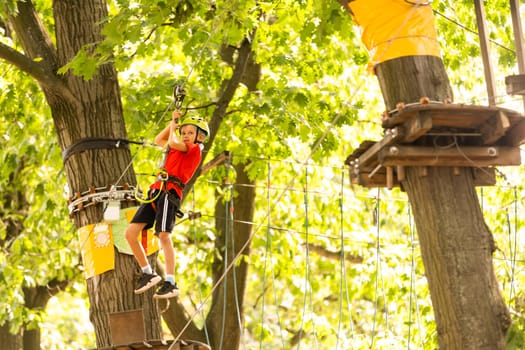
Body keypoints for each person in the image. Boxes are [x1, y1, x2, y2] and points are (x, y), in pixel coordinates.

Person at [125, 109, 209, 299]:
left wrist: (175, 124)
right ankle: (148, 273)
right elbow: (158, 140)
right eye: (184, 132)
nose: (186, 136)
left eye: (190, 133)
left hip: (170, 193)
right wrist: (173, 125)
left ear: (200, 137)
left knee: (163, 235)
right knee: (130, 234)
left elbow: (171, 142)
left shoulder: (194, 150)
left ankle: (170, 281)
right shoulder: (175, 148)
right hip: (156, 190)